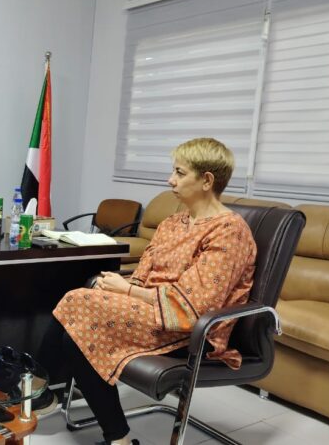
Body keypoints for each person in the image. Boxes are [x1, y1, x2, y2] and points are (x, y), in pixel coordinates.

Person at [40, 138, 257, 445]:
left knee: (77, 301)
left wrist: (126, 291)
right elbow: (143, 276)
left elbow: (196, 306)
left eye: (180, 173)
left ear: (207, 180)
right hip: (152, 312)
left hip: (191, 329)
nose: (171, 180)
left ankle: (33, 387)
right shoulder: (172, 223)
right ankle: (116, 437)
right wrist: (117, 289)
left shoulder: (229, 231)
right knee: (75, 327)